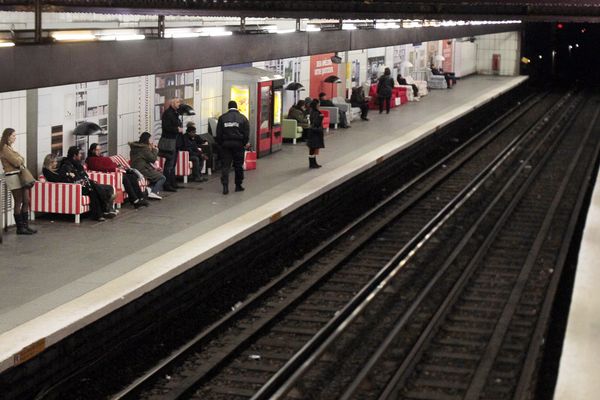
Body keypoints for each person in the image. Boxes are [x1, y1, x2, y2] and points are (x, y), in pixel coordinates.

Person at [56, 146, 117, 221]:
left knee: (108, 187)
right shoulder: (67, 166)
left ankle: (106, 209)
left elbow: (84, 175)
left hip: (86, 184)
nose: (81, 155)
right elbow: (72, 179)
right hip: (77, 188)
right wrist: (85, 181)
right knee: (92, 190)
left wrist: (88, 180)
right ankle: (105, 207)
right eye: (79, 154)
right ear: (75, 155)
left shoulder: (78, 164)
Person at [86, 143, 149, 208]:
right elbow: (99, 168)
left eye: (100, 150)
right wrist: (114, 169)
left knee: (132, 177)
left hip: (114, 172)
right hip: (110, 175)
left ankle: (140, 197)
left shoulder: (100, 157)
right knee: (125, 178)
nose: (99, 151)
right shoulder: (91, 160)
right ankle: (134, 200)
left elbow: (109, 164)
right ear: (93, 150)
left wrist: (117, 167)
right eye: (97, 150)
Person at [0, 128, 37, 234]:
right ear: (7, 136)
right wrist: (20, 159)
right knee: (19, 201)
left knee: (26, 200)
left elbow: (20, 159)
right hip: (12, 176)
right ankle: (20, 228)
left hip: (19, 176)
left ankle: (25, 226)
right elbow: (17, 162)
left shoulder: (9, 147)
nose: (15, 138)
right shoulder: (4, 148)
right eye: (13, 136)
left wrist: (20, 159)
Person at [216, 100, 250, 195]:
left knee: (226, 166)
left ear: (228, 107)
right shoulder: (243, 118)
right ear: (236, 107)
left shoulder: (222, 118)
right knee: (238, 166)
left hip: (226, 145)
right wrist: (243, 143)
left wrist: (221, 143)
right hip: (238, 145)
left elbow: (218, 134)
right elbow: (246, 134)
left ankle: (225, 186)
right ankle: (238, 185)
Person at [129, 132, 166, 200]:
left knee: (157, 174)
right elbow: (153, 159)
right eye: (150, 139)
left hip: (136, 169)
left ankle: (149, 190)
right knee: (162, 178)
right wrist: (154, 150)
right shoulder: (144, 149)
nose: (151, 141)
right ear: (147, 140)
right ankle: (153, 192)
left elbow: (144, 160)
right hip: (142, 170)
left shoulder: (135, 147)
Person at [160, 97, 183, 191]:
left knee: (173, 164)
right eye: (177, 102)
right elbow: (166, 127)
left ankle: (173, 182)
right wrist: (177, 129)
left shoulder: (175, 113)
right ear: (172, 103)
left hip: (175, 141)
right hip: (170, 141)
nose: (179, 104)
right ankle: (167, 184)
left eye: (179, 102)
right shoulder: (168, 113)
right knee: (169, 164)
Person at [307, 99, 325, 169]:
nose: (319, 105)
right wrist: (321, 118)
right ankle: (312, 163)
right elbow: (315, 123)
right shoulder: (316, 113)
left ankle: (313, 162)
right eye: (318, 104)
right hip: (315, 133)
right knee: (313, 148)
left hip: (313, 133)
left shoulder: (312, 111)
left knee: (313, 148)